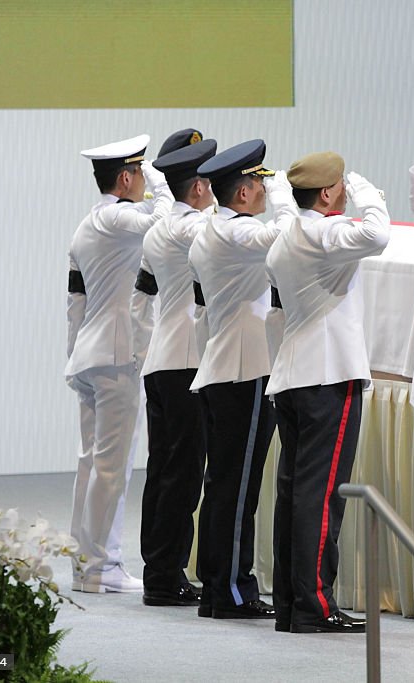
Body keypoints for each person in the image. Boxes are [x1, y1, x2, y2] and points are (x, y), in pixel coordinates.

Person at [266, 152, 390, 634]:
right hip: (327, 377)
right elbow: (377, 234)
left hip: (295, 376)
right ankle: (315, 605)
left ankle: (290, 603)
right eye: (337, 185)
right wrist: (364, 191)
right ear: (326, 193)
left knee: (294, 495)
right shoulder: (322, 234)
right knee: (319, 498)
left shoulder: (286, 237)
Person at [66, 134, 171, 592]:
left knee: (92, 463)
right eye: (139, 173)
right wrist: (162, 182)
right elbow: (163, 220)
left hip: (90, 354)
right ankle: (101, 568)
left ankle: (84, 561)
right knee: (113, 465)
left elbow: (75, 300)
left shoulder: (87, 224)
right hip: (115, 356)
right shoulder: (117, 218)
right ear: (127, 176)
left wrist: (72, 354)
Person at [188, 139, 282, 619]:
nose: (266, 191)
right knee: (237, 487)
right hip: (244, 369)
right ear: (243, 193)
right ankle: (229, 589)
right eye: (260, 183)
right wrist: (290, 192)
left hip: (225, 365)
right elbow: (286, 235)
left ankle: (220, 585)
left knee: (225, 483)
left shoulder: (211, 228)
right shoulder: (236, 233)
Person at [131, 133, 217, 607]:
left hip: (162, 357)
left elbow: (140, 297)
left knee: (162, 470)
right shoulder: (198, 229)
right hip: (189, 360)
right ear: (202, 188)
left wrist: (145, 349)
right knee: (183, 475)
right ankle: (166, 576)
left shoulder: (158, 230)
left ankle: (157, 570)